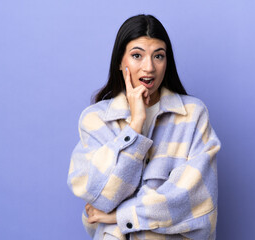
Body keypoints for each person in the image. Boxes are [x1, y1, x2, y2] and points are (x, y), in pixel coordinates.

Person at [67, 14, 221, 240]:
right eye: (137, 55)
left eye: (158, 56)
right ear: (121, 62)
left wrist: (120, 215)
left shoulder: (192, 115)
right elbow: (102, 196)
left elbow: (196, 202)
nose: (149, 67)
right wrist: (135, 126)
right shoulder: (96, 119)